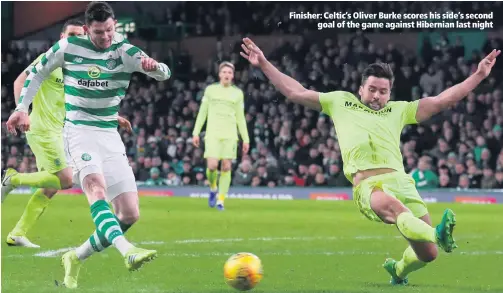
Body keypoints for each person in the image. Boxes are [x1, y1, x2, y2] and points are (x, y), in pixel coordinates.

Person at [240, 37, 500, 285]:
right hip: (369, 185)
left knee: (428, 255)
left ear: (389, 93)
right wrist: (263, 62)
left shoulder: (400, 110)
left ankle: (398, 270)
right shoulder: (340, 101)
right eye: (372, 89)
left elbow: (443, 100)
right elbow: (295, 91)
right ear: (361, 89)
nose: (377, 95)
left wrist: (478, 75)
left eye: (383, 91)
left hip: (402, 181)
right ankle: (438, 234)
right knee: (398, 212)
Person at [5, 1, 171, 288]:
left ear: (114, 25)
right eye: (98, 32)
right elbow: (37, 73)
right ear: (86, 30)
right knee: (95, 187)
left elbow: (165, 73)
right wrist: (22, 107)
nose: (105, 37)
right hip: (78, 130)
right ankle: (127, 251)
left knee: (129, 214)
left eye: (109, 30)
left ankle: (76, 256)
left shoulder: (125, 51)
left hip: (108, 134)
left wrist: (154, 68)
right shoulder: (69, 48)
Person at [2, 19, 134, 249]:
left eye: (78, 35)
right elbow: (20, 80)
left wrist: (114, 117)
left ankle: (17, 233)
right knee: (66, 178)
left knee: (51, 187)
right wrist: (21, 110)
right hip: (42, 129)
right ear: (62, 37)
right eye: (70, 34)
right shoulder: (50, 59)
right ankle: (12, 179)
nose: (74, 38)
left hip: (63, 132)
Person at [192, 62, 249, 211]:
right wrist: (196, 132)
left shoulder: (237, 93)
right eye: (224, 72)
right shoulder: (210, 90)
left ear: (233, 75)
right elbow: (202, 112)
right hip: (213, 134)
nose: (227, 75)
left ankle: (221, 200)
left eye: (229, 72)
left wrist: (246, 138)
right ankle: (212, 187)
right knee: (211, 166)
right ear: (219, 74)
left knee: (226, 166)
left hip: (230, 135)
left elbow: (240, 118)